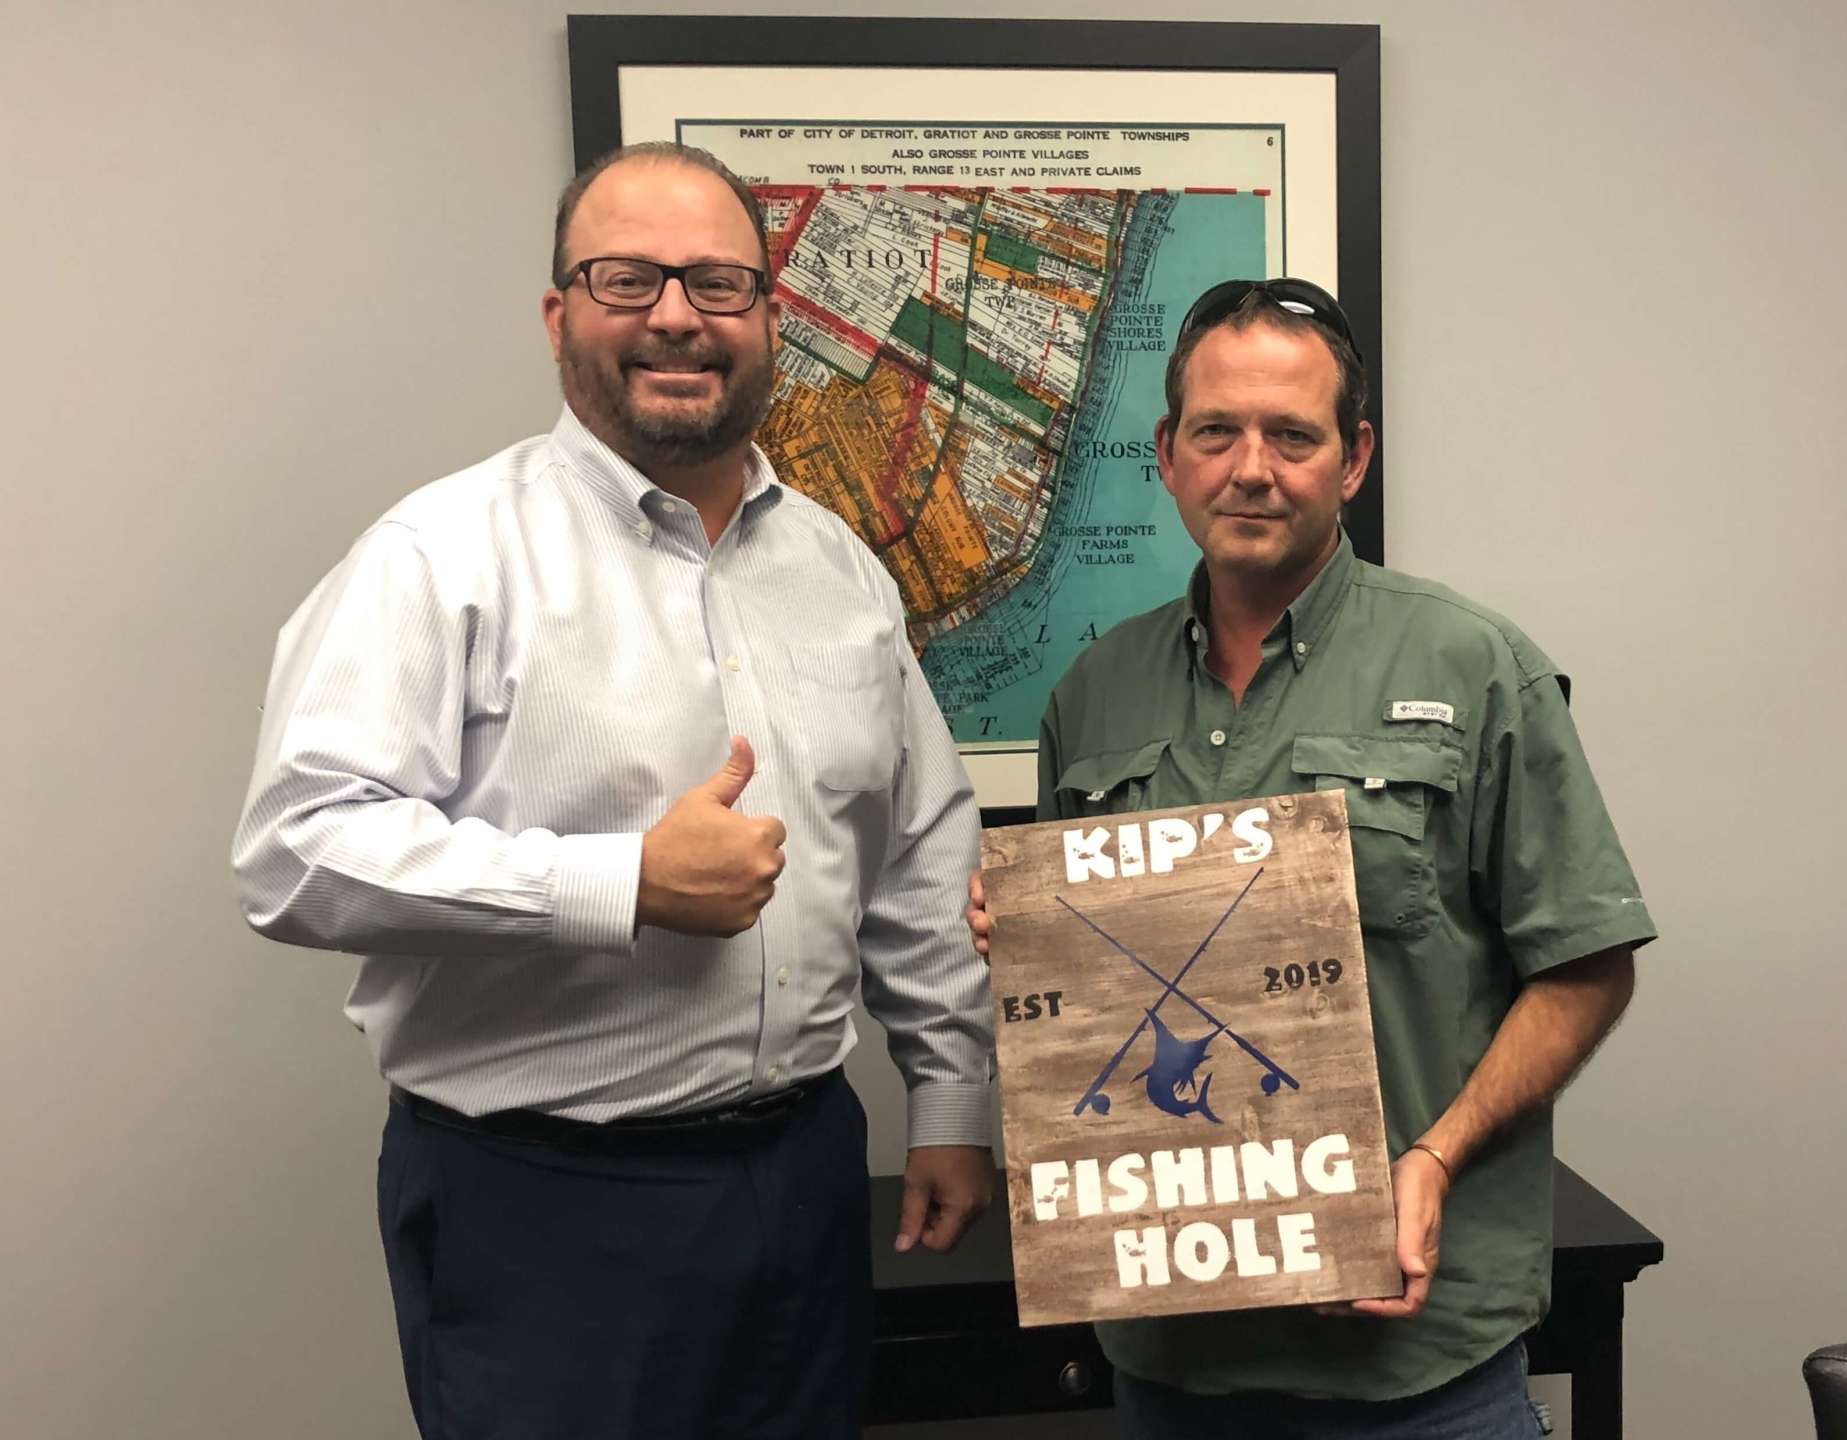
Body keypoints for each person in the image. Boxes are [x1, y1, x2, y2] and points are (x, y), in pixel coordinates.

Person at [233, 141, 995, 1440]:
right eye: (627, 278)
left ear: (767, 317)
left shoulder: (841, 570)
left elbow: (919, 845)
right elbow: (298, 853)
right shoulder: (441, 559)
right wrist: (621, 883)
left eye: (718, 282)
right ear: (558, 317)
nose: (678, 317)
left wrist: (950, 1097)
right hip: (541, 1208)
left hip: (804, 1177)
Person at [967, 276, 1654, 1437]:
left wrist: (1433, 1158)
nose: (1252, 467)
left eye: (1293, 434)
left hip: (1419, 1372)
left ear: (1353, 458)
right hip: (1172, 1366)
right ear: (1169, 454)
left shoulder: (1477, 665)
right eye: (1217, 431)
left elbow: (1587, 964)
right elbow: (1104, 1015)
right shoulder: (1092, 697)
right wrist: (1031, 945)